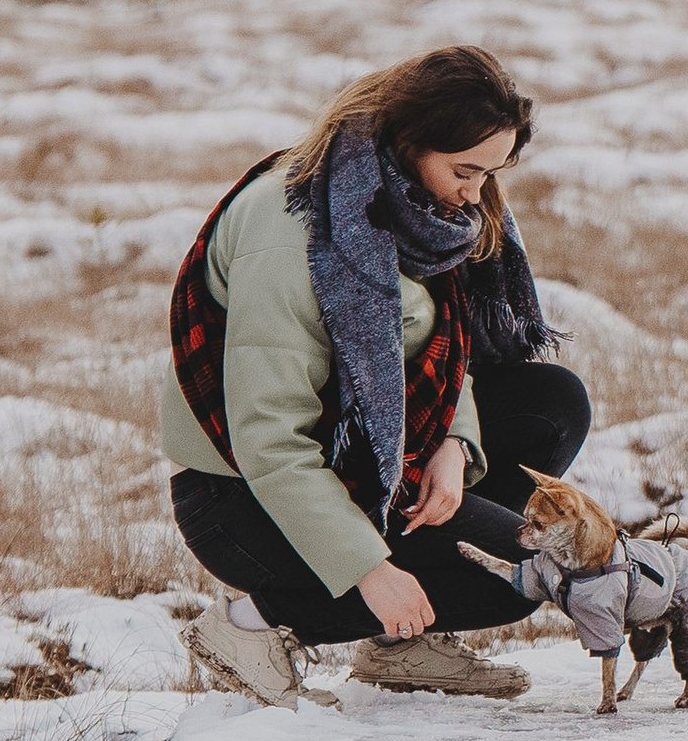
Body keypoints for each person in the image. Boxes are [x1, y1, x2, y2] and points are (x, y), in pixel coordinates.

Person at [163, 41, 591, 705]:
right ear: (414, 140)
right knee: (501, 592)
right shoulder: (295, 231)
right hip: (239, 496)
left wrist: (455, 441)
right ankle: (249, 626)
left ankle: (399, 645)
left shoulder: (412, 208)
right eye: (466, 170)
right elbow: (269, 441)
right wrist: (368, 569)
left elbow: (444, 355)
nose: (476, 195)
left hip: (365, 459)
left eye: (491, 173)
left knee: (552, 403)